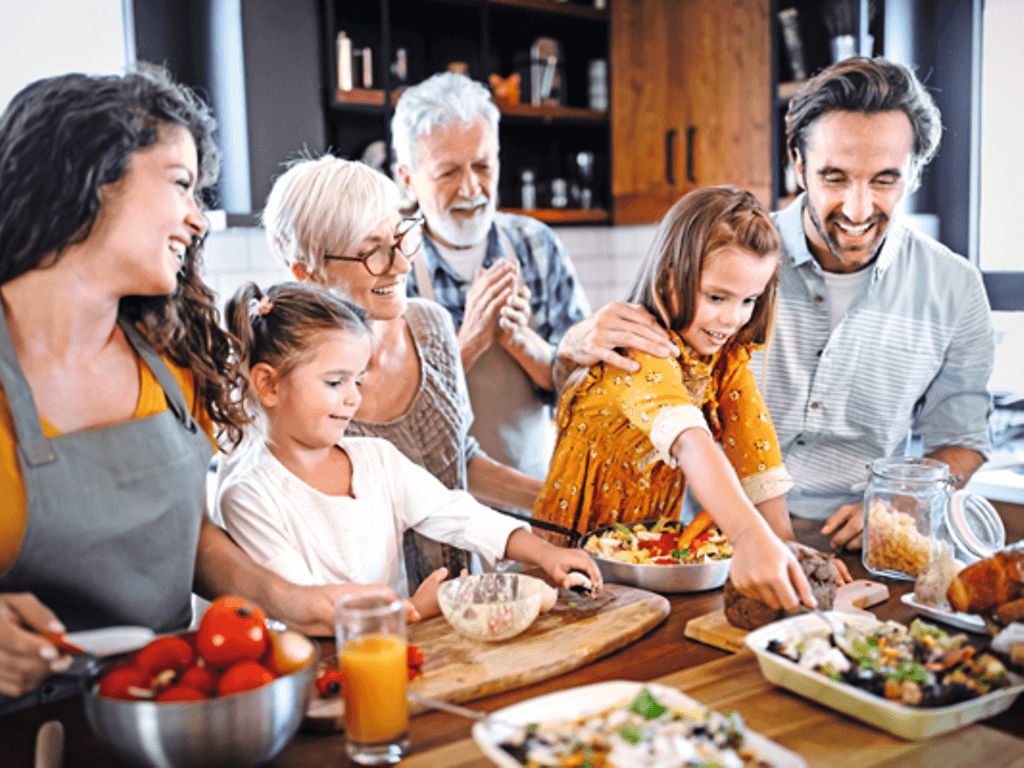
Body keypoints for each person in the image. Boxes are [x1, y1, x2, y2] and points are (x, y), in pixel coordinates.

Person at [0, 67, 376, 706]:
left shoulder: (174, 361)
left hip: (171, 705)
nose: (198, 220)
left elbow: (186, 535)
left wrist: (288, 598)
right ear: (90, 178)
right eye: (181, 184)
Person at [557, 57, 995, 552]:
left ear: (915, 173)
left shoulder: (955, 288)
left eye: (884, 181)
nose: (856, 209)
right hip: (704, 543)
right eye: (835, 178)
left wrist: (906, 500)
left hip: (864, 544)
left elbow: (963, 440)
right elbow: (608, 388)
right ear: (798, 163)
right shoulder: (726, 255)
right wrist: (574, 343)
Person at [218, 281, 602, 618]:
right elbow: (306, 606)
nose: (353, 398)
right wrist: (414, 609)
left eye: (358, 380)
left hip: (396, 651)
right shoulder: (248, 495)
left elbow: (458, 514)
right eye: (335, 382)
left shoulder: (375, 459)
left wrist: (545, 554)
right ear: (268, 385)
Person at [257, 155, 543, 589]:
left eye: (401, 238)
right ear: (306, 272)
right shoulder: (291, 386)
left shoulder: (431, 327)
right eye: (373, 252)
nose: (402, 265)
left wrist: (554, 503)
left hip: (464, 600)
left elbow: (456, 462)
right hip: (373, 618)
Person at [534, 186, 814, 612]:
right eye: (716, 297)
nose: (732, 319)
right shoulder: (639, 346)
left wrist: (785, 543)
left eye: (749, 300)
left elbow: (755, 451)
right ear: (669, 277)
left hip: (648, 560)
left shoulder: (725, 356)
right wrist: (746, 535)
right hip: (563, 557)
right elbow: (689, 439)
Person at [392, 72, 591, 481]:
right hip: (437, 502)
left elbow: (586, 388)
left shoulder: (536, 245)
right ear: (408, 180)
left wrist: (523, 344)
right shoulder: (392, 264)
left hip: (537, 493)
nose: (471, 187)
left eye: (483, 165)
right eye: (448, 172)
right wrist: (470, 341)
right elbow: (391, 412)